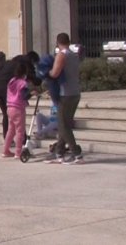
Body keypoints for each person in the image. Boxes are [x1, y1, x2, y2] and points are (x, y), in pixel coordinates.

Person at [45, 33, 83, 164]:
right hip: (75, 93)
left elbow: (55, 73)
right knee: (65, 124)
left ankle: (76, 154)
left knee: (63, 125)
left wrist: (46, 72)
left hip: (64, 94)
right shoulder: (74, 55)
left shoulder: (62, 55)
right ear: (69, 41)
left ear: (57, 42)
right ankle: (59, 153)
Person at [0, 51, 40, 138]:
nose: (34, 66)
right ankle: (22, 139)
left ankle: (8, 138)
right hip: (5, 90)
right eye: (35, 63)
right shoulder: (24, 63)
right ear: (32, 60)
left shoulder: (13, 61)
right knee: (18, 114)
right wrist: (40, 82)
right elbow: (32, 77)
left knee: (6, 114)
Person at [2, 62, 32, 159]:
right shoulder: (22, 83)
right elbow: (25, 95)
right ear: (25, 72)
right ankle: (18, 152)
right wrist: (32, 93)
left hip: (9, 107)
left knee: (11, 130)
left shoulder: (12, 81)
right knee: (20, 131)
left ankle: (5, 150)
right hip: (18, 108)